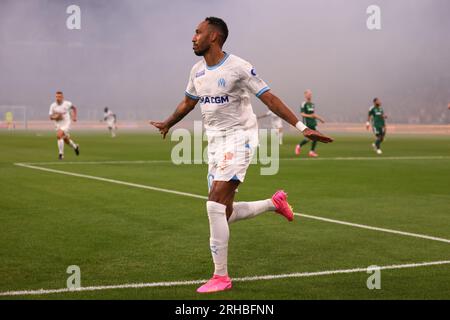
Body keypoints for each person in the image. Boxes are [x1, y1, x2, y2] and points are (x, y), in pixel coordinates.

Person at [150, 17, 333, 293]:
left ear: (213, 37)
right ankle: (274, 203)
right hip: (215, 144)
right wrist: (168, 123)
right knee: (225, 213)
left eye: (198, 32)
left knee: (213, 207)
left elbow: (268, 98)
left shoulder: (238, 67)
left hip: (240, 139)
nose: (193, 37)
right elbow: (189, 101)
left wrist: (301, 127)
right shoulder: (197, 71)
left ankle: (221, 277)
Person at [49, 91, 80, 160]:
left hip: (66, 124)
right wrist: (56, 117)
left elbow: (74, 108)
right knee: (66, 140)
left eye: (59, 97)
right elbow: (50, 117)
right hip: (58, 125)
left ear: (62, 97)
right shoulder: (53, 105)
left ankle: (61, 154)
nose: (58, 98)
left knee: (59, 135)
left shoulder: (67, 104)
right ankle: (75, 147)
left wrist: (74, 117)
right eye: (57, 96)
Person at [295, 89, 325, 157]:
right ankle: (299, 146)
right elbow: (302, 114)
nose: (309, 95)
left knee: (316, 136)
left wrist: (320, 119)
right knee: (309, 138)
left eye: (310, 94)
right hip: (307, 122)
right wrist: (310, 116)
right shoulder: (303, 104)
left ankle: (311, 151)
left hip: (313, 123)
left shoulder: (312, 104)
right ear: (305, 95)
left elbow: (313, 114)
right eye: (308, 94)